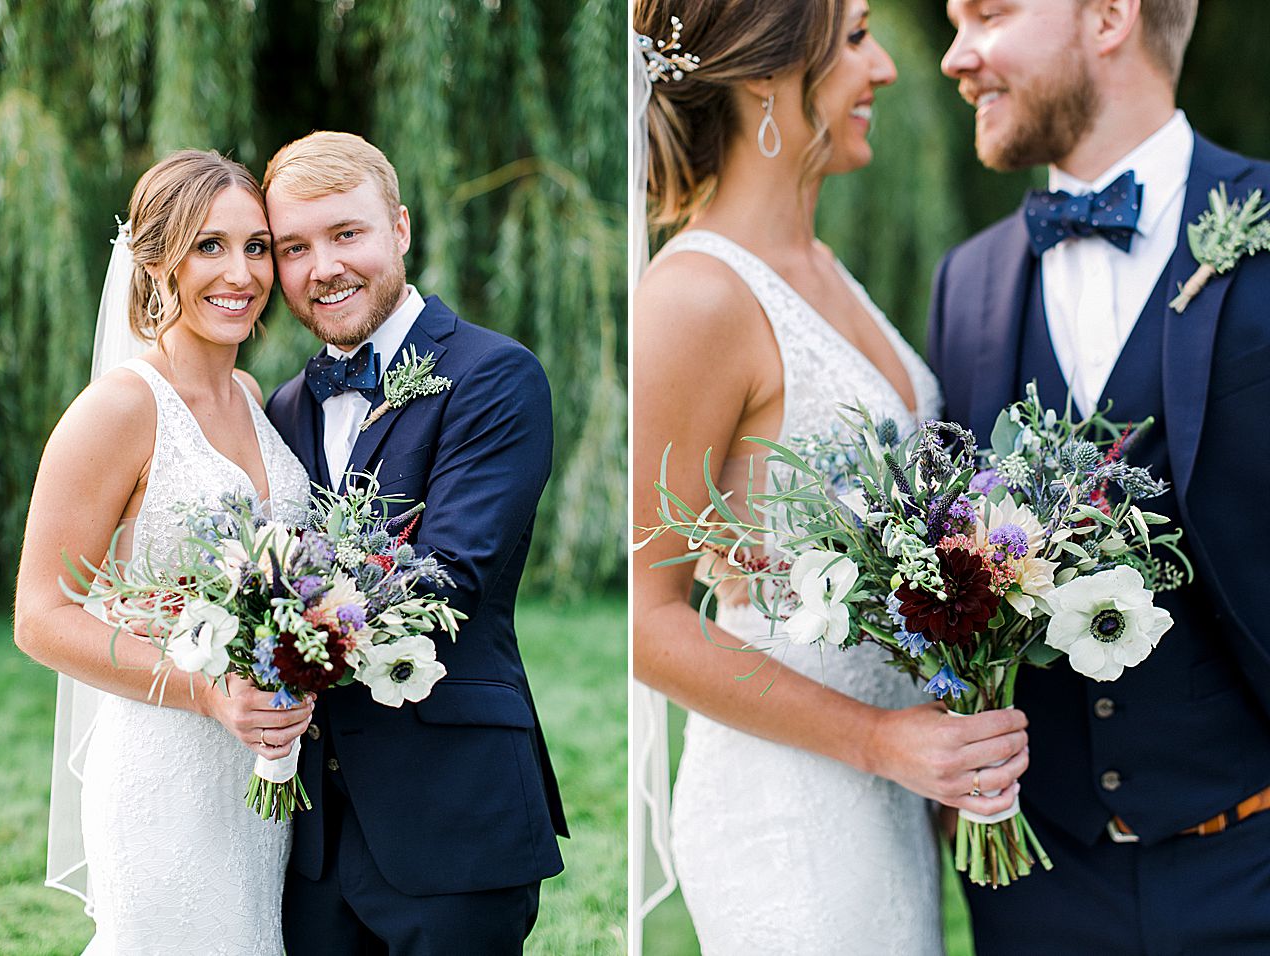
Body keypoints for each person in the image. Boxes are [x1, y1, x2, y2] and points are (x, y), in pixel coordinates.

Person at [631, 2, 1029, 953]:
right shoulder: (695, 297)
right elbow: (646, 621)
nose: (888, 67)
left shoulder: (822, 269)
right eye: (854, 37)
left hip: (895, 790)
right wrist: (877, 741)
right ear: (766, 77)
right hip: (793, 808)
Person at [931, 1, 1270, 951]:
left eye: (988, 14)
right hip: (1036, 885)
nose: (958, 55)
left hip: (1252, 861)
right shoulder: (967, 283)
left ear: (1111, 16)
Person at [261, 130, 567, 955]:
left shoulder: (495, 375)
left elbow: (448, 575)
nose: (323, 266)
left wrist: (273, 624)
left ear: (399, 228)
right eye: (295, 247)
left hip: (453, 813)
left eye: (346, 234)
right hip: (310, 839)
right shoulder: (282, 408)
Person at [15, 150, 314, 953]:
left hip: (255, 764)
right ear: (155, 262)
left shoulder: (253, 398)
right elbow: (40, 618)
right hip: (163, 762)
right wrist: (207, 691)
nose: (240, 272)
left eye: (256, 246)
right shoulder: (118, 408)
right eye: (207, 245)